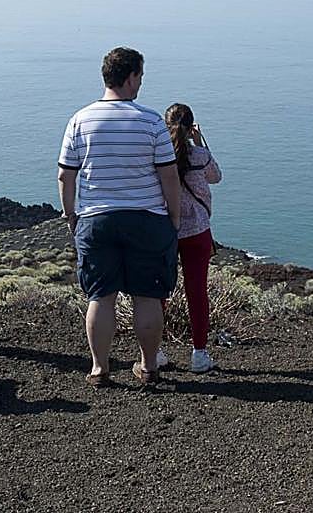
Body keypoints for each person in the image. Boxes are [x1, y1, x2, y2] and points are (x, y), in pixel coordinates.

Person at [58, 46, 182, 387]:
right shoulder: (151, 120)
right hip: (146, 219)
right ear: (130, 77)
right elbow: (168, 176)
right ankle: (147, 366)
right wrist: (174, 217)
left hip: (97, 219)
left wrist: (72, 216)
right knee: (147, 294)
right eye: (140, 75)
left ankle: (99, 368)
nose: (141, 82)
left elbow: (65, 175)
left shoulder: (80, 120)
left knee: (101, 295)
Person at [158, 103, 222, 373]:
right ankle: (199, 354)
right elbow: (216, 177)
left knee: (158, 291)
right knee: (197, 293)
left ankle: (155, 352)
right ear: (191, 126)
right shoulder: (200, 156)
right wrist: (201, 141)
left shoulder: (160, 156)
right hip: (198, 232)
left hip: (165, 231)